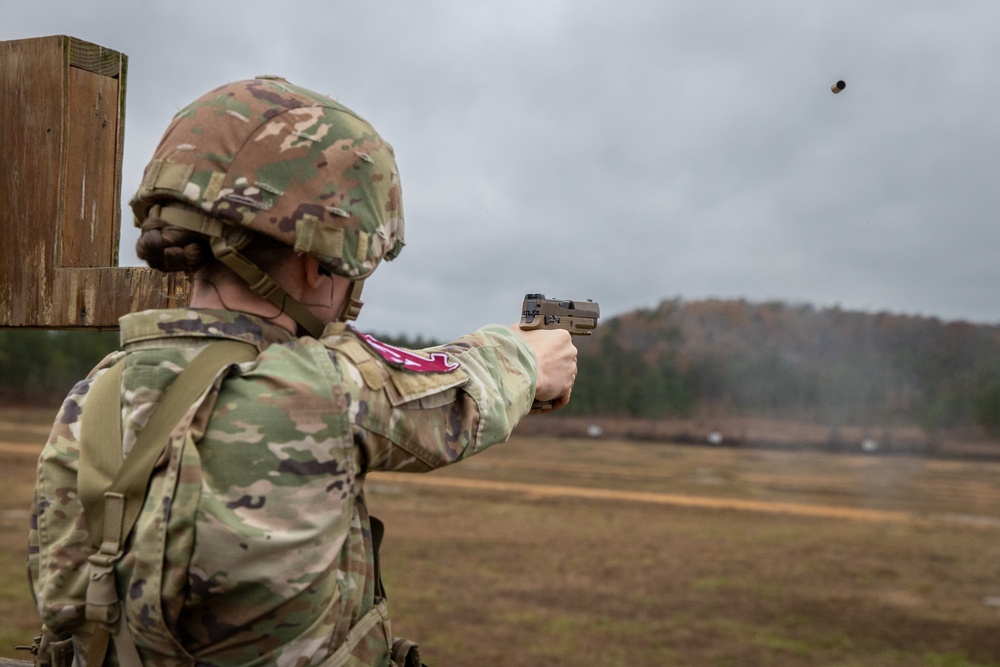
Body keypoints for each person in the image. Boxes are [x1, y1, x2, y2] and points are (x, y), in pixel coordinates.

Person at [28, 76, 577, 667]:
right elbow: (469, 393)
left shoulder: (97, 390)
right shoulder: (326, 388)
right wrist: (531, 357)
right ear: (316, 266)